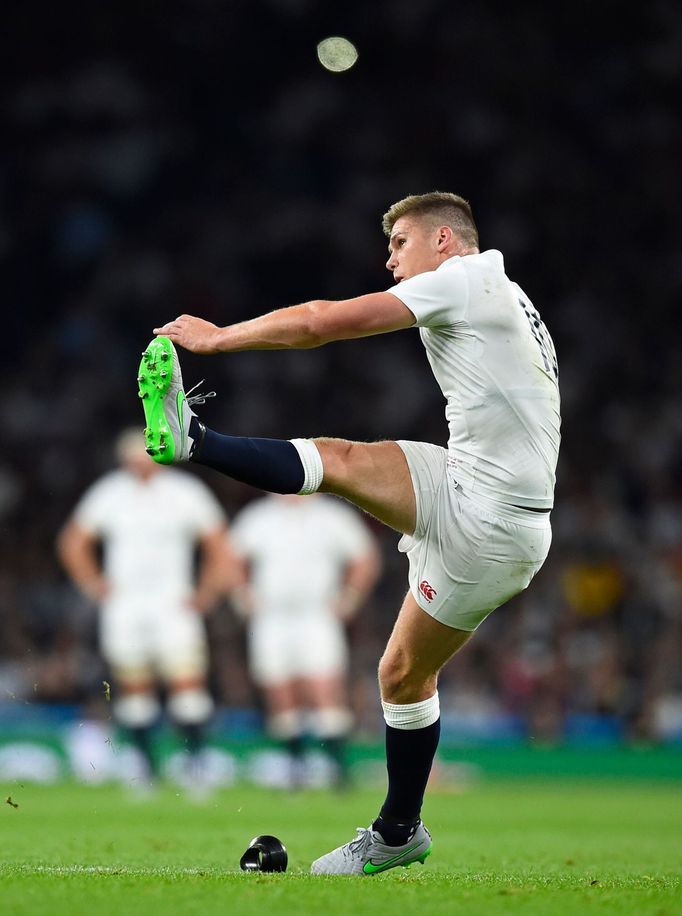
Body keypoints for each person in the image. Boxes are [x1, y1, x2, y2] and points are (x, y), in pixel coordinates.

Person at [138, 191, 561, 873]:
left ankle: (396, 833)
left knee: (400, 675)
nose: (389, 259)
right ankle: (193, 438)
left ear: (444, 241)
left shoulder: (463, 280)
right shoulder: (497, 289)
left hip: (491, 520)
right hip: (470, 484)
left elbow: (320, 324)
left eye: (399, 244)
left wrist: (219, 337)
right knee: (344, 468)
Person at [57, 427, 240, 793]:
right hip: (125, 603)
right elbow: (73, 541)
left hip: (172, 601)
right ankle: (146, 770)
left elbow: (219, 543)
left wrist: (206, 593)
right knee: (134, 686)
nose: (142, 464)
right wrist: (94, 584)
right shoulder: (111, 493)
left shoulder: (185, 493)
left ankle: (195, 767)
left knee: (187, 685)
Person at [230, 492, 381, 788]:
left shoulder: (331, 516)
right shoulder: (260, 516)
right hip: (272, 616)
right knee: (279, 692)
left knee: (324, 689)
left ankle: (339, 773)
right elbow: (231, 556)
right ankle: (295, 772)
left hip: (316, 614)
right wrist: (242, 595)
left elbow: (366, 557)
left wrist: (349, 598)